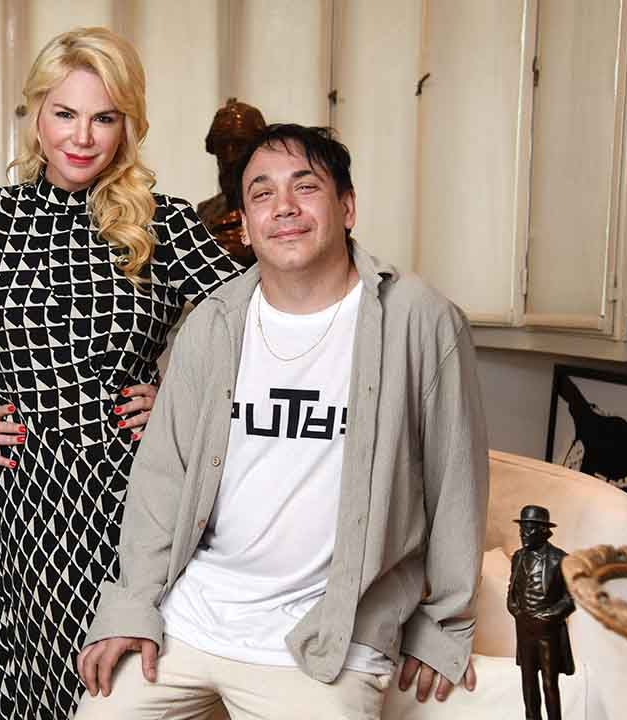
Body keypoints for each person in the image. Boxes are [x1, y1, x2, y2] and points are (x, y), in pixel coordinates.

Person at [0, 27, 245, 720]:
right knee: (42, 685)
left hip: (135, 489)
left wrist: (179, 401)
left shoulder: (162, 222)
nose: (82, 137)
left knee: (126, 689)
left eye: (104, 118)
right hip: (30, 492)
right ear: (36, 114)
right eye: (65, 113)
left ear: (127, 126)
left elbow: (261, 326)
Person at [75, 123, 489, 719]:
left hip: (327, 642)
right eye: (262, 194)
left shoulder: (420, 321)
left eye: (306, 186)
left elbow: (456, 482)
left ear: (347, 208)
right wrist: (132, 606)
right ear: (245, 225)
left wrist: (446, 624)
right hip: (188, 623)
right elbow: (162, 479)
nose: (285, 207)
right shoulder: (214, 320)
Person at [507, 505, 575, 720]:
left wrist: (547, 617)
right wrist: (516, 611)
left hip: (548, 633)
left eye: (528, 529)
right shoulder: (518, 557)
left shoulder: (561, 559)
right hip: (524, 630)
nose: (522, 534)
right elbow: (511, 591)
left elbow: (572, 598)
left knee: (549, 683)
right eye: (521, 529)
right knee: (528, 682)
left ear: (544, 531)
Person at [196, 98, 266, 264]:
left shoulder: (277, 207)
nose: (230, 156)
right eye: (222, 145)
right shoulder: (206, 211)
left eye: (240, 144)